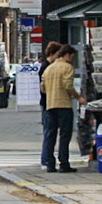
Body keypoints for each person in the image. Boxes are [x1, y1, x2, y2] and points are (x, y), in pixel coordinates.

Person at [41, 45, 87, 173]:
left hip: (50, 105)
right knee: (64, 136)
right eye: (72, 56)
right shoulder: (67, 67)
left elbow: (43, 87)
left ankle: (50, 164)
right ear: (67, 55)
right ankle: (63, 163)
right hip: (64, 105)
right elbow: (68, 85)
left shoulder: (49, 69)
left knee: (50, 135)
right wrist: (78, 97)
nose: (72, 59)